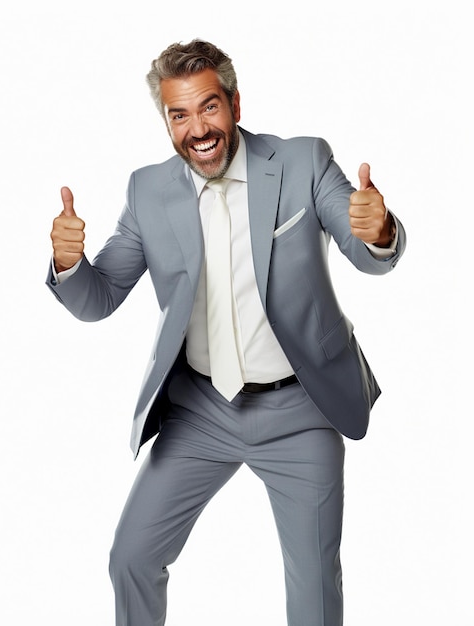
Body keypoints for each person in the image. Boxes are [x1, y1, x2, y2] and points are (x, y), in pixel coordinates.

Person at [47, 39, 406, 626]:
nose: (198, 129)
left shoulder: (303, 161)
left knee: (314, 589)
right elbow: (99, 298)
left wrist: (379, 230)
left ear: (236, 105)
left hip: (301, 407)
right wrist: (68, 265)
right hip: (200, 412)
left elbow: (366, 250)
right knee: (131, 558)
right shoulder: (147, 191)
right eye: (179, 115)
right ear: (166, 121)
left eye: (208, 107)